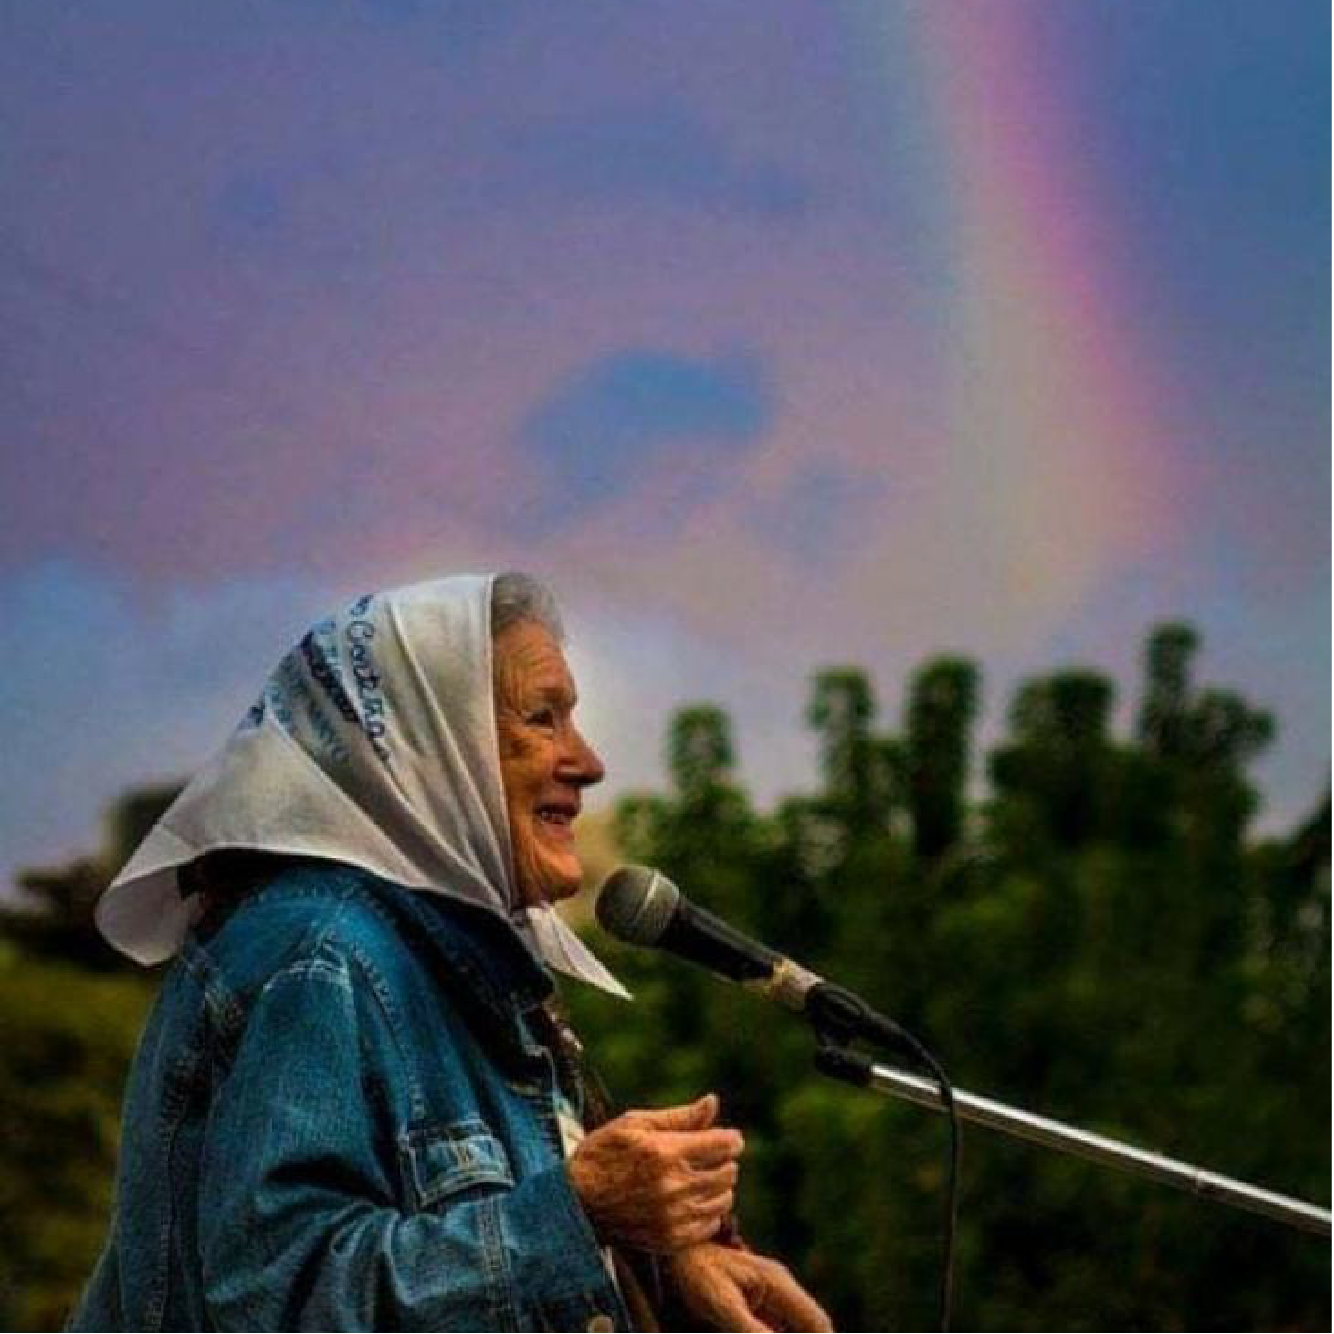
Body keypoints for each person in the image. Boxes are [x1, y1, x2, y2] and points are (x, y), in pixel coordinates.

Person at [70, 572, 832, 1332]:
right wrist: (579, 1212)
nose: (588, 762)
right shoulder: (318, 959)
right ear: (430, 747)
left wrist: (658, 1257)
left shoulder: (440, 962)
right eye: (544, 718)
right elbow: (286, 1300)